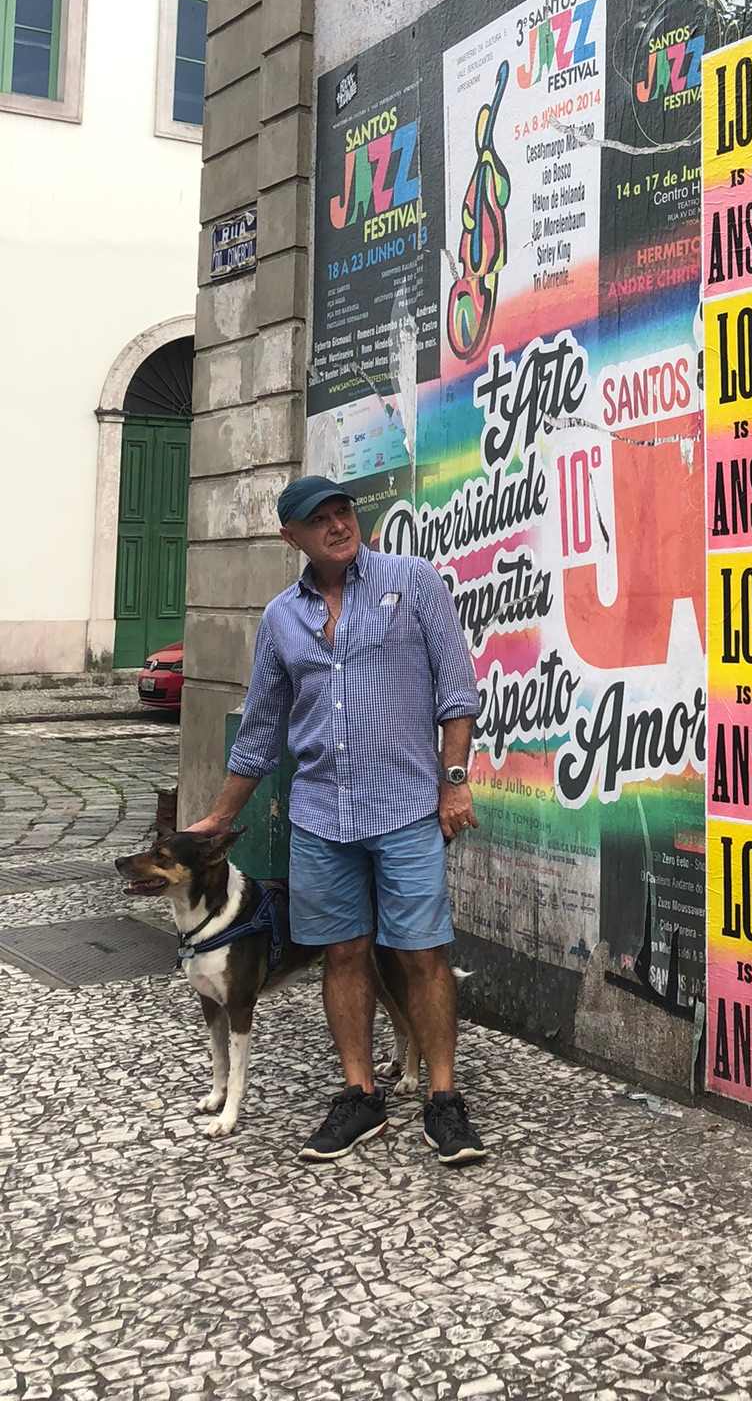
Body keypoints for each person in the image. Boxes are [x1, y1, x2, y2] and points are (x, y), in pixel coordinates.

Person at [188, 474, 489, 1167]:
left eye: (343, 511)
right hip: (322, 816)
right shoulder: (280, 620)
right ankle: (359, 1096)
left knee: (422, 954)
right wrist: (219, 816)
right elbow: (261, 730)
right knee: (343, 954)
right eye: (317, 519)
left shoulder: (413, 581)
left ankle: (443, 1101)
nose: (336, 525)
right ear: (290, 536)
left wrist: (454, 783)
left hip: (407, 807)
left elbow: (457, 690)